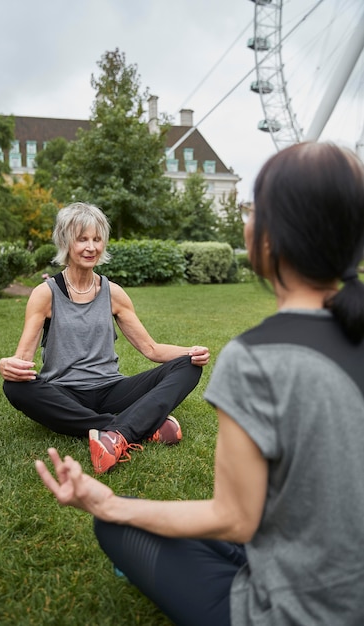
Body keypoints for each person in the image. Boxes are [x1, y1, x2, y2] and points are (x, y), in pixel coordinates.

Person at [35, 142, 364, 625]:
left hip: (294, 612)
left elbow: (235, 519)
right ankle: (125, 429)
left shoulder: (256, 359)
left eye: (253, 207)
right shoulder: (48, 292)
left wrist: (110, 505)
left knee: (116, 525)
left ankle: (121, 437)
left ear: (267, 237)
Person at [0, 202, 209, 474]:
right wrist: (6, 365)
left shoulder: (114, 293)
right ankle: (136, 427)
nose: (91, 247)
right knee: (15, 387)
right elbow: (23, 360)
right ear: (65, 242)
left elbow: (151, 349)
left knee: (189, 365)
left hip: (112, 389)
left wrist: (190, 351)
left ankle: (115, 432)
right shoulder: (45, 293)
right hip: (65, 393)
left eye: (97, 239)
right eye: (82, 239)